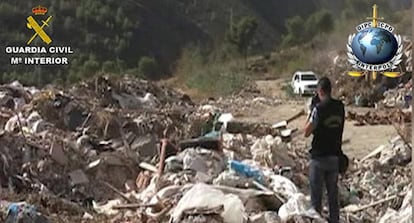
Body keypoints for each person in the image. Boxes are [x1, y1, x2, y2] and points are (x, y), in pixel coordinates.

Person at [304, 77, 345, 223]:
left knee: (316, 199)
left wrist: (311, 111)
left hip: (319, 158)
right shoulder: (340, 107)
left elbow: (306, 131)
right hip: (334, 158)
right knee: (333, 198)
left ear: (320, 91)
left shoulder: (318, 109)